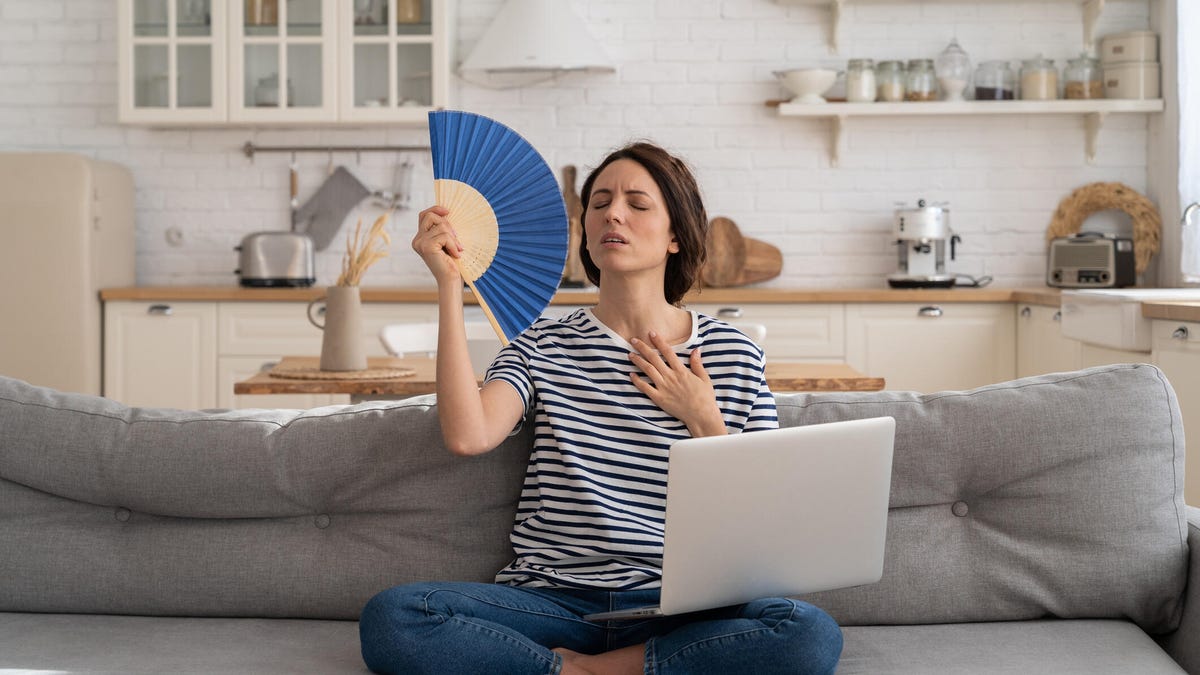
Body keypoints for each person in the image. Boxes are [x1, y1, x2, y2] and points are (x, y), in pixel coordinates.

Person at [358, 142, 843, 675]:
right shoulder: (539, 344)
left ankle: (588, 671)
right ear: (585, 230)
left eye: (637, 203)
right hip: (558, 602)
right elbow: (468, 435)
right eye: (600, 202)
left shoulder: (734, 353)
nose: (613, 212)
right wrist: (450, 287)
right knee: (398, 617)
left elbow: (764, 520)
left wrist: (704, 419)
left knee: (807, 633)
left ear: (676, 235)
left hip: (680, 606)